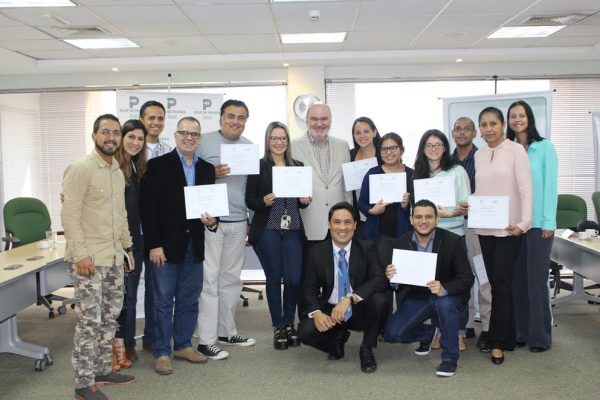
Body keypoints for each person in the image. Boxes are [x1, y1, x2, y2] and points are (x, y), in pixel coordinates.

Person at [62, 114, 136, 400]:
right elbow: (70, 215)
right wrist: (80, 254)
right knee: (90, 322)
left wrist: (128, 247)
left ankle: (102, 369)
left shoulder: (116, 170)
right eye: (105, 132)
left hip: (114, 257)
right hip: (89, 260)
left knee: (109, 318)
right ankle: (83, 383)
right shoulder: (80, 169)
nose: (111, 137)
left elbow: (121, 214)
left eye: (116, 133)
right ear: (94, 136)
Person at [140, 117, 217, 375]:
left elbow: (211, 208)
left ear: (200, 139)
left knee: (189, 299)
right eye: (184, 132)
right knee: (163, 301)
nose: (189, 138)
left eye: (194, 134)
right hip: (164, 247)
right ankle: (162, 351)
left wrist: (213, 221)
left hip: (194, 245)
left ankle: (183, 345)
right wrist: (154, 245)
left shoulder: (206, 169)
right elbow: (148, 210)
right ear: (175, 136)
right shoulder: (157, 166)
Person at [378, 199, 473, 377]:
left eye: (429, 217)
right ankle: (428, 334)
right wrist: (393, 278)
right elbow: (398, 284)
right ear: (411, 220)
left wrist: (444, 288)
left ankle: (450, 358)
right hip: (419, 296)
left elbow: (467, 277)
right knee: (392, 334)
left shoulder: (452, 241)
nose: (423, 221)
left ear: (437, 220)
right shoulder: (401, 242)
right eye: (418, 217)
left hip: (448, 296)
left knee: (444, 304)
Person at [196, 99, 255, 361]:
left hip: (238, 220)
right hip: (210, 222)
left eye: (241, 117)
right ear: (221, 118)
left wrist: (250, 219)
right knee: (209, 280)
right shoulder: (203, 142)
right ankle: (205, 340)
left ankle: (226, 332)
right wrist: (211, 173)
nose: (235, 121)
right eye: (231, 116)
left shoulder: (249, 147)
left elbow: (250, 189)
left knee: (231, 280)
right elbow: (189, 176)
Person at [298, 202, 389, 373]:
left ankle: (366, 348)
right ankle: (336, 339)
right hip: (330, 310)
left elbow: (379, 279)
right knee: (305, 332)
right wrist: (317, 313)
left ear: (355, 225)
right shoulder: (316, 251)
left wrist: (349, 298)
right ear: (329, 224)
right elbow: (309, 289)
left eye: (347, 222)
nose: (342, 227)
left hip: (358, 308)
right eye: (337, 222)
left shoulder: (368, 248)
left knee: (380, 300)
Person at [473, 106, 532, 365]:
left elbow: (526, 189)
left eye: (493, 123)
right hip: (484, 228)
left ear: (502, 125)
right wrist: (469, 203)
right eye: (484, 124)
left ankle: (497, 342)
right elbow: (482, 191)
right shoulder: (479, 154)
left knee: (501, 284)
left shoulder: (516, 150)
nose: (489, 129)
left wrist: (524, 223)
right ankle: (506, 336)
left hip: (509, 229)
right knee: (495, 282)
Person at [246, 122, 311, 350]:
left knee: (294, 279)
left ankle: (289, 322)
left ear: (288, 141)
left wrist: (304, 200)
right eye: (274, 138)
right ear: (267, 140)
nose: (279, 142)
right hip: (268, 228)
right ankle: (279, 326)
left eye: (283, 138)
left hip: (292, 227)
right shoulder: (259, 166)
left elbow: (301, 202)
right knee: (274, 277)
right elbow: (249, 199)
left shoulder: (298, 166)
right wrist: (263, 201)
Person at [507, 100, 558, 353]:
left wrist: (548, 221)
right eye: (513, 116)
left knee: (536, 282)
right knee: (517, 280)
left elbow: (550, 186)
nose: (517, 120)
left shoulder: (544, 147)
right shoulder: (508, 149)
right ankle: (521, 332)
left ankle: (540, 337)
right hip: (514, 226)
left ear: (529, 118)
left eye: (522, 115)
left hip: (538, 225)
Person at [413, 129, 470, 351]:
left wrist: (449, 213)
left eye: (438, 144)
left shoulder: (457, 171)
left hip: (454, 235)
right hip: (428, 238)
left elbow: (466, 205)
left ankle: (459, 332)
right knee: (433, 286)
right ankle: (439, 329)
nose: (433, 149)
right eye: (429, 145)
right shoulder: (418, 175)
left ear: (445, 147)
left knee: (457, 286)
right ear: (423, 149)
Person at [451, 116, 492, 352]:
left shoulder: (483, 158)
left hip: (478, 227)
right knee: (461, 277)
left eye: (467, 129)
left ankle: (487, 327)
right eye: (458, 129)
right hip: (454, 228)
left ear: (475, 133)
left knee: (483, 277)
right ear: (453, 133)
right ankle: (465, 324)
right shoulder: (447, 162)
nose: (462, 132)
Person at [134, 99, 171, 355]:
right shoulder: (132, 150)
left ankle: (152, 336)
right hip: (134, 230)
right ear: (142, 120)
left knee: (157, 288)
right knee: (130, 290)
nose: (156, 123)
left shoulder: (169, 152)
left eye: (160, 118)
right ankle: (126, 342)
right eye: (151, 118)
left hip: (159, 232)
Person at [112, 119, 148, 371]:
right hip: (120, 243)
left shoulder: (137, 166)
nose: (135, 143)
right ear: (122, 138)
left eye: (140, 139)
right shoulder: (113, 167)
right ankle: (116, 346)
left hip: (136, 240)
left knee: (130, 295)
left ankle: (127, 342)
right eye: (131, 137)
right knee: (119, 297)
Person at [291, 103, 353, 244]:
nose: (319, 123)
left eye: (324, 119)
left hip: (339, 226)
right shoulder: (292, 147)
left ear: (330, 120)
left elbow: (347, 188)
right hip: (309, 225)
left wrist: (350, 217)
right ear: (306, 121)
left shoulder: (343, 146)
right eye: (314, 119)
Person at [358, 132, 413, 241]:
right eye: (384, 149)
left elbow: (419, 208)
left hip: (404, 234)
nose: (388, 152)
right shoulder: (373, 173)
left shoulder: (412, 175)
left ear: (402, 150)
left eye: (393, 148)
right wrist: (372, 211)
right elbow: (361, 203)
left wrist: (407, 206)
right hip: (376, 236)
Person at [350, 117, 382, 234]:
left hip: (381, 214)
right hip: (358, 216)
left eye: (366, 131)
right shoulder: (350, 155)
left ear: (374, 132)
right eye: (358, 133)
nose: (362, 136)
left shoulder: (384, 154)